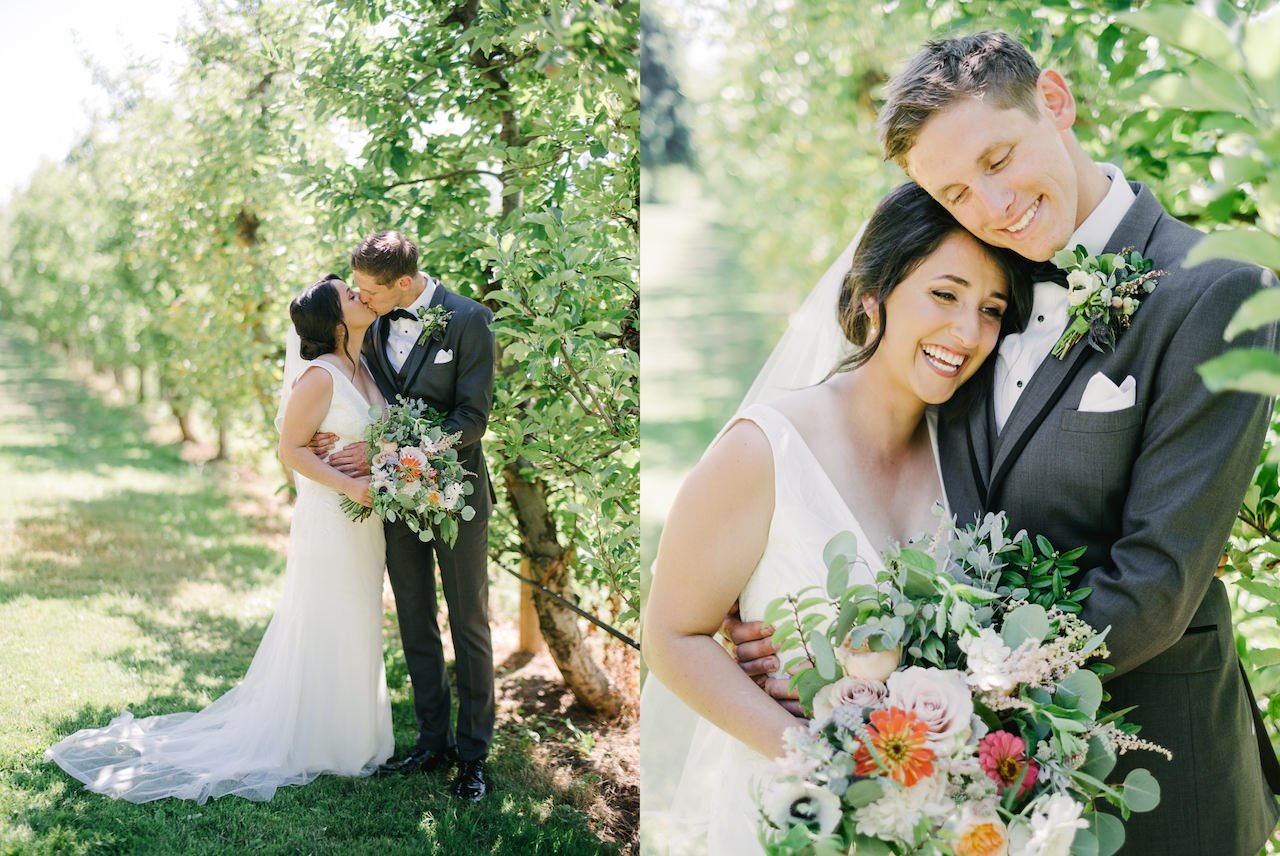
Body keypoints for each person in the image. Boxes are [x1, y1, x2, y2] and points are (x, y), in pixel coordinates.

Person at [728, 31, 1280, 855]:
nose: (991, 206)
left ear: (1054, 102)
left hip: (1161, 774)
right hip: (990, 797)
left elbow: (1155, 585)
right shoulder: (974, 295)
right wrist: (819, 647)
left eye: (998, 159)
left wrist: (914, 702)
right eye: (955, 192)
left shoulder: (1222, 291)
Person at [641, 181, 1028, 854]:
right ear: (872, 298)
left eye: (991, 309)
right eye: (944, 294)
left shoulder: (968, 454)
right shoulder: (764, 449)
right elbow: (672, 636)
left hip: (937, 818)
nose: (968, 333)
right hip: (798, 814)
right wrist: (828, 759)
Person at [44, 274, 393, 803]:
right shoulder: (319, 377)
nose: (359, 296)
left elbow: (374, 430)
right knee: (328, 613)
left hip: (364, 519)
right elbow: (291, 450)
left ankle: (350, 732)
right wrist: (349, 484)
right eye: (349, 294)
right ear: (336, 322)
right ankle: (321, 740)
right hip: (333, 514)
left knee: (356, 614)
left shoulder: (363, 366)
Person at [315, 231, 496, 802]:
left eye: (369, 291)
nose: (360, 300)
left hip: (456, 493)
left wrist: (394, 452)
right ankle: (431, 738)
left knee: (469, 622)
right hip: (394, 498)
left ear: (403, 283)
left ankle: (473, 755)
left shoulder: (468, 320)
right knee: (415, 617)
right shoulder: (371, 324)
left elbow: (472, 418)